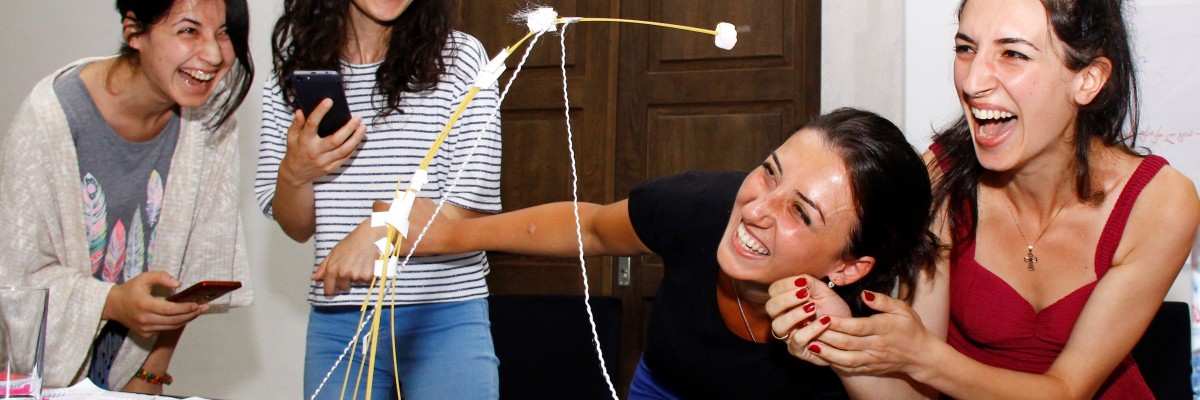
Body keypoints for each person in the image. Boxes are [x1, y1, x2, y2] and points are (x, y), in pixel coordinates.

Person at [772, 0, 1200, 398]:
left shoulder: (1160, 203)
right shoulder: (940, 178)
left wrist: (923, 357)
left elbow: (1068, 390)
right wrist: (843, 340)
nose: (973, 82)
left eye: (1013, 54)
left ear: (1087, 80)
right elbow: (914, 391)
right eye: (965, 48)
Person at [379, 108, 938, 398]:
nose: (756, 209)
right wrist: (452, 235)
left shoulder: (863, 322)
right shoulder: (700, 206)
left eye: (801, 212)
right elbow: (593, 228)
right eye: (769, 172)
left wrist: (843, 351)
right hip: (663, 389)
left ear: (848, 266)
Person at [0, 0, 254, 394]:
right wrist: (113, 302)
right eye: (189, 31)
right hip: (34, 379)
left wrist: (148, 377)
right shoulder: (52, 117)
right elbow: (15, 278)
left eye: (223, 33)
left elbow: (190, 279)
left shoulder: (210, 120)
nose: (213, 53)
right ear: (134, 30)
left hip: (127, 371)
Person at [254, 0, 502, 398]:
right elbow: (297, 226)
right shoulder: (294, 75)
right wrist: (295, 173)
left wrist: (380, 230)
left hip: (445, 313)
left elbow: (472, 205)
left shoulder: (461, 58)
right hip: (339, 321)